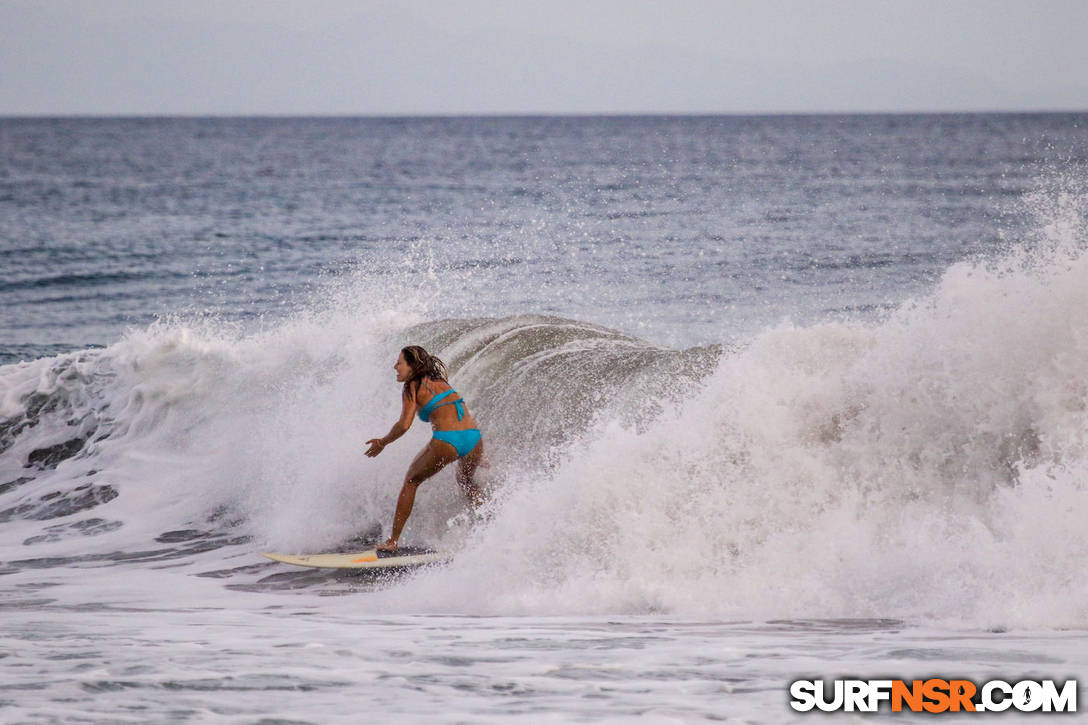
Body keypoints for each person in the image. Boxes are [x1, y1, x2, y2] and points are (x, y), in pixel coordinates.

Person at [365, 345, 484, 552]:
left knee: (411, 481)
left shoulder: (412, 386)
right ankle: (489, 525)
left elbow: (403, 425)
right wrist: (481, 454)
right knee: (466, 481)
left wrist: (382, 442)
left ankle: (392, 542)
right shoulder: (442, 382)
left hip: (447, 441)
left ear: (412, 366)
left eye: (399, 363)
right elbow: (461, 413)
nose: (395, 367)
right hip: (474, 439)